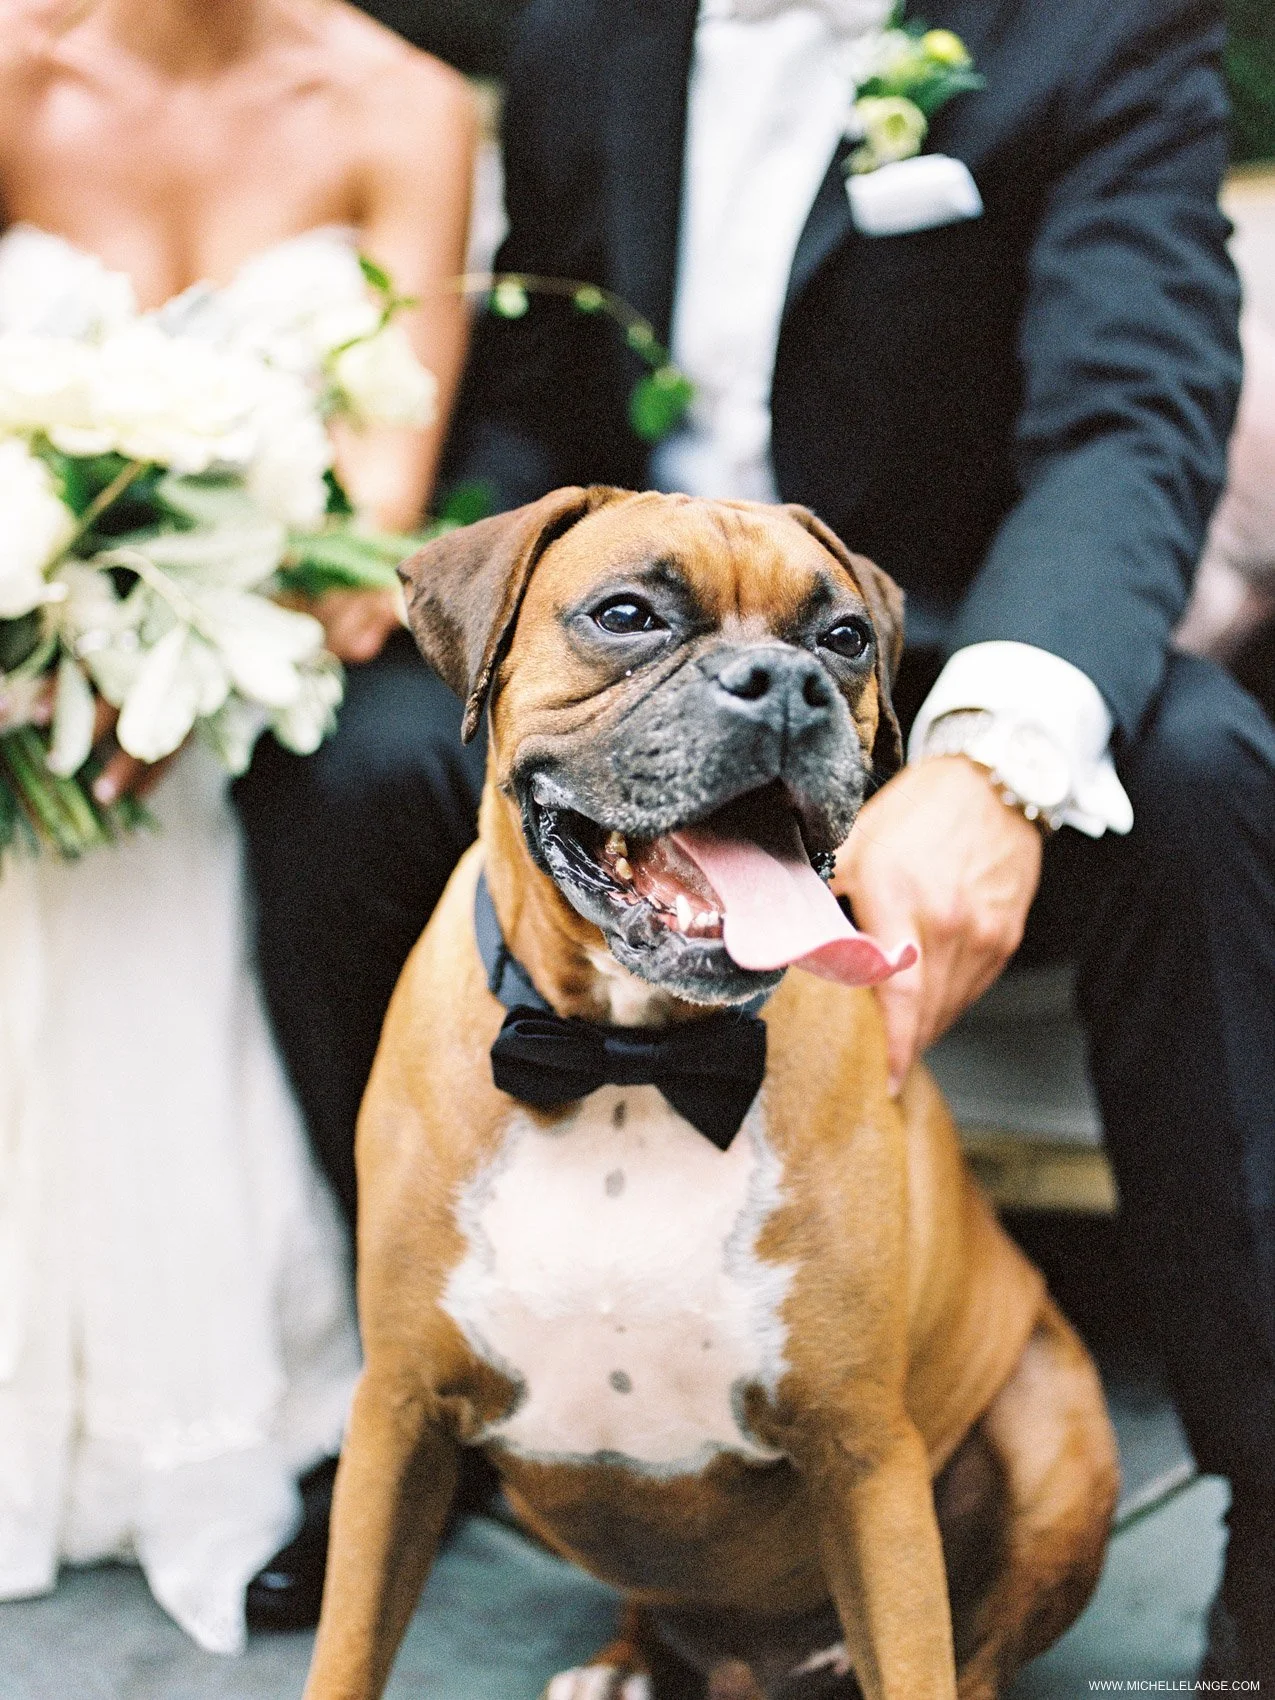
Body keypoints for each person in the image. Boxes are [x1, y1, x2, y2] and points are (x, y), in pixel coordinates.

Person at [240, 0, 1275, 1680]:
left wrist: (989, 754)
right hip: (612, 635)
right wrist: (416, 573)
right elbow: (535, 385)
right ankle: (435, 1373)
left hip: (908, 648)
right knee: (335, 764)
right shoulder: (589, 34)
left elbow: (1125, 422)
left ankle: (1266, 1486)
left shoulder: (1099, 30)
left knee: (1209, 766)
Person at [0, 0, 476, 1651]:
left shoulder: (400, 105)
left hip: (245, 676)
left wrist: (156, 660)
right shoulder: (12, 68)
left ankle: (291, 1401)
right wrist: (39, 642)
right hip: (22, 672)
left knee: (274, 820)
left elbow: (385, 493)